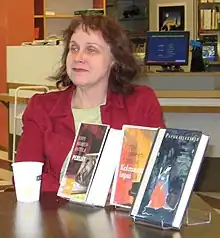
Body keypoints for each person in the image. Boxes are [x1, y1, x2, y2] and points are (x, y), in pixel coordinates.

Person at [15, 15, 165, 192]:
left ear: (114, 59)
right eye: (74, 48)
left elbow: (158, 171)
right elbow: (27, 175)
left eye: (91, 50)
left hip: (119, 217)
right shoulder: (41, 107)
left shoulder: (140, 102)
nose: (79, 57)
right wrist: (84, 192)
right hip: (56, 215)